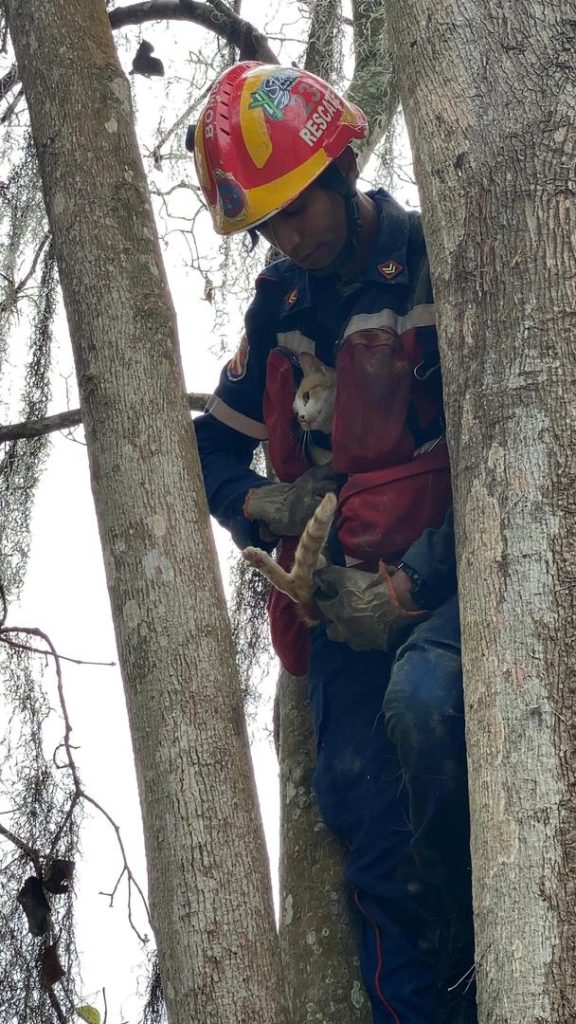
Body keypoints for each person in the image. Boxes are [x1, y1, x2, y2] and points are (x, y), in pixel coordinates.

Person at [189, 61, 476, 1024]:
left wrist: (414, 588)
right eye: (266, 224)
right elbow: (213, 456)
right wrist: (269, 506)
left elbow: (507, 461)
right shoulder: (280, 305)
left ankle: (480, 947)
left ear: (339, 165)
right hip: (343, 616)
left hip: (455, 585)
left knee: (432, 718)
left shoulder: (434, 258)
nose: (289, 235)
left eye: (295, 207)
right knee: (361, 809)